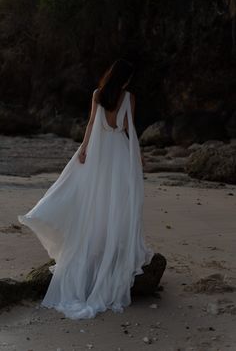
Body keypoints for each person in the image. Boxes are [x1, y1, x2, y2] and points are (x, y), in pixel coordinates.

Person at [18, 58, 154, 320]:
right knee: (116, 203)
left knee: (95, 200)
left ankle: (95, 246)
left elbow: (91, 124)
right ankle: (110, 248)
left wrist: (83, 149)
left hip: (99, 155)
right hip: (118, 155)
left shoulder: (97, 94)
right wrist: (137, 156)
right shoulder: (129, 98)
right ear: (125, 79)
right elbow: (128, 130)